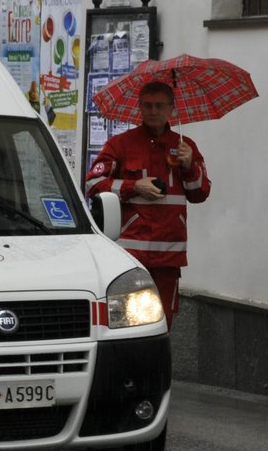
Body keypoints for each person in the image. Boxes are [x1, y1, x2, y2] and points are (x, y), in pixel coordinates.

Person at [83, 80, 210, 327]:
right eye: (148, 106)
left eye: (160, 106)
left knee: (163, 322)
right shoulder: (120, 144)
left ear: (171, 109)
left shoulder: (185, 147)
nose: (154, 111)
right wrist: (133, 187)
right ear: (139, 108)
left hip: (168, 258)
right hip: (130, 255)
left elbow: (200, 193)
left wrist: (189, 166)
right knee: (127, 323)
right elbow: (92, 183)